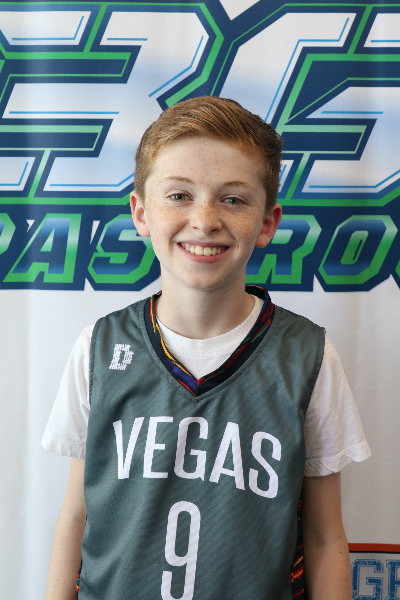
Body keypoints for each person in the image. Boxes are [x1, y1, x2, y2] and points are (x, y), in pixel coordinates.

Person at [42, 96, 371, 600]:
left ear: (267, 222)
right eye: (179, 195)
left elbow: (326, 538)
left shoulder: (308, 356)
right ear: (141, 212)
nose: (204, 219)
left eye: (233, 199)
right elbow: (75, 514)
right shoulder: (100, 348)